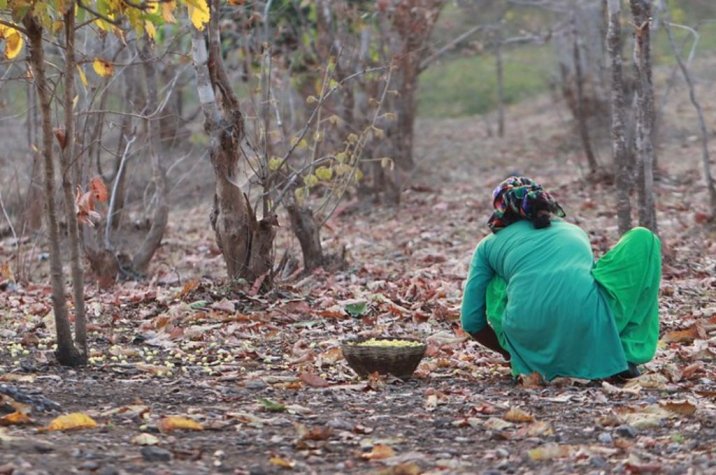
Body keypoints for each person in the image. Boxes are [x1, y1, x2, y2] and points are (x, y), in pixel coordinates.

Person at [460, 176, 661, 381]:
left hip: (527, 339)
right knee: (643, 238)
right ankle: (624, 356)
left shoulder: (488, 245)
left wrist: (510, 352)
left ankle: (529, 359)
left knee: (498, 278)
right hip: (590, 324)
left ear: (501, 210)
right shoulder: (574, 231)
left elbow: (471, 321)